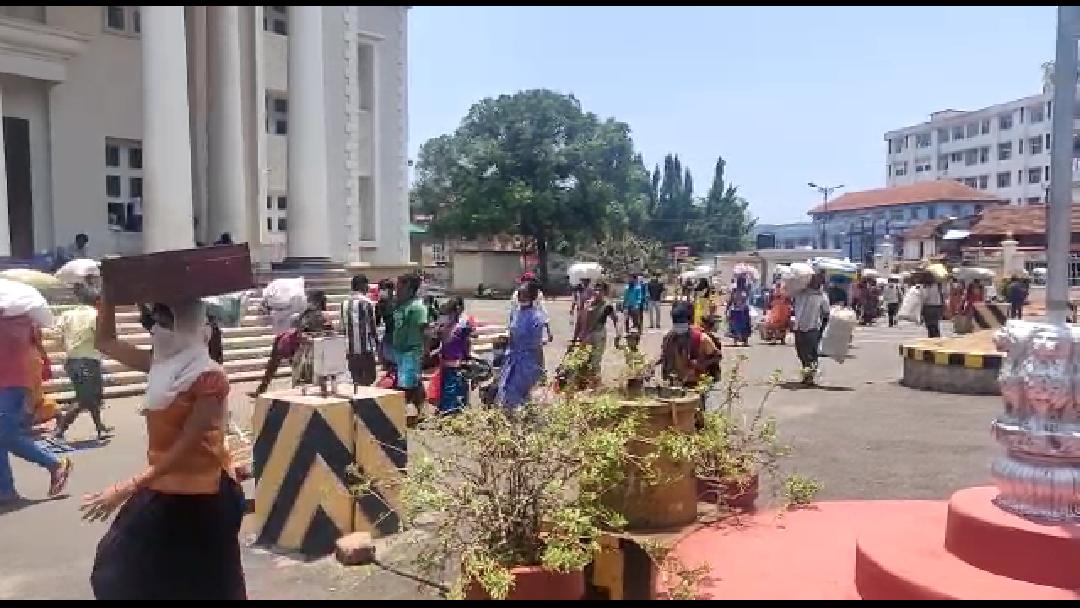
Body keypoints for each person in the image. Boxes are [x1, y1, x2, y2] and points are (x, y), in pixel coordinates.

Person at [85, 298, 246, 600]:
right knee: (116, 574)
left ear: (188, 326)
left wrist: (126, 488)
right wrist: (109, 294)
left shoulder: (209, 377)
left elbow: (187, 446)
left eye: (165, 323)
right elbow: (105, 342)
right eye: (155, 323)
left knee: (209, 587)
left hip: (204, 494)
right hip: (165, 487)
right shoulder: (161, 365)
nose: (157, 330)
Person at [0, 314, 73, 504]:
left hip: (11, 383)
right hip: (11, 382)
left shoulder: (16, 317)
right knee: (4, 436)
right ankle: (5, 489)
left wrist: (30, 400)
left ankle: (54, 464)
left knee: (5, 435)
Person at [55, 284, 112, 440]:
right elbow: (101, 336)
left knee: (93, 396)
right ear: (96, 301)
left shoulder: (67, 314)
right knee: (84, 399)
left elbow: (57, 335)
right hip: (88, 360)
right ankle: (60, 429)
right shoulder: (95, 315)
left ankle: (99, 426)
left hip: (72, 360)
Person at [497, 282, 548, 409]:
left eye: (524, 294)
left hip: (527, 363)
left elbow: (537, 345)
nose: (521, 297)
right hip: (512, 360)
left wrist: (540, 368)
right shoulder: (516, 313)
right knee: (506, 392)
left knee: (521, 396)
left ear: (532, 296)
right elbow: (512, 333)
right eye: (519, 294)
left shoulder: (536, 318)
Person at [390, 274, 429, 425]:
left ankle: (406, 413)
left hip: (411, 351)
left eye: (400, 287)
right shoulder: (400, 306)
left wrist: (425, 350)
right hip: (399, 351)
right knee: (412, 382)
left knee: (407, 385)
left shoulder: (417, 307)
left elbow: (424, 330)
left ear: (409, 289)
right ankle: (421, 411)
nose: (397, 290)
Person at [573, 281, 621, 386]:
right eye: (596, 289)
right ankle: (583, 385)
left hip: (599, 336)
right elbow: (579, 321)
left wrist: (618, 335)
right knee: (582, 361)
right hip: (586, 336)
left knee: (595, 362)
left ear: (605, 292)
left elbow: (615, 320)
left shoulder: (607, 305)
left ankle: (596, 386)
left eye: (600, 290)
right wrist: (575, 338)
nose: (597, 292)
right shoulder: (587, 304)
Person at [433, 298, 473, 414]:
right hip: (446, 369)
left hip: (456, 370)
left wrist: (467, 359)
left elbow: (466, 346)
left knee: (454, 398)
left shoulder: (461, 329)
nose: (444, 317)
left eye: (446, 314)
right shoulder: (443, 329)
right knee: (448, 397)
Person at [792, 275, 831, 385]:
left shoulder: (822, 296)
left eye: (817, 281)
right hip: (799, 327)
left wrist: (822, 329)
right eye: (812, 280)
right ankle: (807, 373)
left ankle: (810, 376)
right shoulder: (800, 293)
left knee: (811, 353)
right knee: (801, 352)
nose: (814, 283)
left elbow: (826, 313)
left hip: (813, 328)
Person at [341, 275, 379, 386]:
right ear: (362, 285)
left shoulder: (344, 303)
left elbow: (342, 327)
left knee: (356, 379)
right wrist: (377, 345)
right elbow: (372, 327)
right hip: (365, 349)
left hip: (350, 349)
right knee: (369, 378)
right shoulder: (367, 303)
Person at [509, 273, 553, 344]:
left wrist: (548, 331)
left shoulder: (538, 295)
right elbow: (512, 313)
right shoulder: (516, 295)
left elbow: (543, 311)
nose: (522, 298)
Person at [727, 275, 753, 346]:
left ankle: (742, 341)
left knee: (742, 325)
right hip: (738, 310)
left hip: (741, 310)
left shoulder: (744, 291)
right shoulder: (738, 291)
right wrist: (727, 308)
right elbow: (730, 301)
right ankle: (740, 341)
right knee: (738, 325)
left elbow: (730, 301)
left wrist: (727, 309)